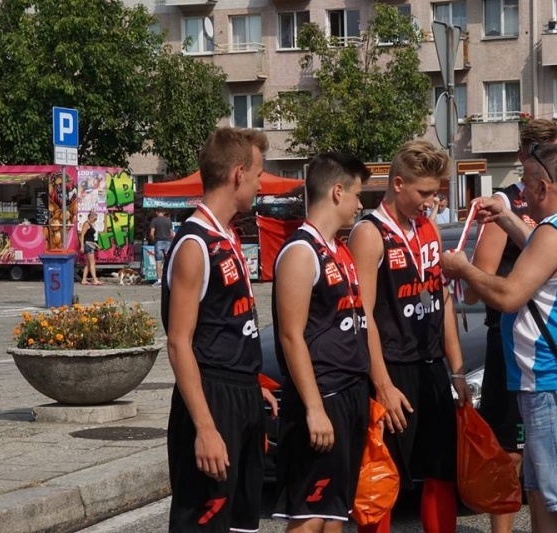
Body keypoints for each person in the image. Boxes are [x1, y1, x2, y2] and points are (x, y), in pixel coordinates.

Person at [442, 143, 557, 533]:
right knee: (544, 492)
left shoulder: (553, 233)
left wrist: (463, 269)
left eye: (526, 187)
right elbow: (542, 252)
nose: (523, 197)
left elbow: (508, 295)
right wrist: (505, 219)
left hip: (553, 379)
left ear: (544, 186)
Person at [347, 139, 471, 533]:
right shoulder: (369, 232)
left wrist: (457, 370)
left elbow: (444, 300)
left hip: (431, 366)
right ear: (398, 183)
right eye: (424, 192)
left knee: (440, 473)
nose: (430, 201)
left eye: (436, 193)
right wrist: (381, 385)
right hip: (392, 369)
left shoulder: (429, 228)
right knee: (383, 479)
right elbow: (362, 313)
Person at [161, 127, 279, 533]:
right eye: (259, 174)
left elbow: (227, 323)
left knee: (242, 522)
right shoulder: (195, 243)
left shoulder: (227, 234)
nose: (261, 185)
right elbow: (179, 343)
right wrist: (206, 427)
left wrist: (250, 384)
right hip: (212, 397)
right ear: (238, 174)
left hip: (240, 391)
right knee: (204, 524)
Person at [464, 118, 557, 533]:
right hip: (510, 340)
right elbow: (483, 275)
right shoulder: (506, 203)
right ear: (525, 159)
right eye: (547, 155)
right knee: (510, 451)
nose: (556, 164)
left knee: (545, 452)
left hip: (552, 342)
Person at [271, 153, 372, 531]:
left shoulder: (339, 249)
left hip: (350, 392)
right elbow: (290, 335)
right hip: (322, 395)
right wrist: (314, 408)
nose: (359, 205)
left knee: (335, 511)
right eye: (357, 195)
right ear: (337, 191)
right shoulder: (301, 252)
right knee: (308, 513)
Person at [150, 208, 175, 287]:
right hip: (168, 242)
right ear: (164, 212)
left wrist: (154, 240)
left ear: (156, 212)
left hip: (158, 241)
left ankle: (159, 281)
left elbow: (151, 233)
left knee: (158, 261)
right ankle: (169, 279)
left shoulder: (154, 220)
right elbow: (171, 234)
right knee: (168, 261)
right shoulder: (169, 221)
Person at [79, 211, 102, 285]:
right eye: (95, 219)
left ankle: (84, 279)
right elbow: (82, 235)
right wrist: (82, 246)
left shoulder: (90, 225)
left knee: (88, 264)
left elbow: (90, 237)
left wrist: (96, 245)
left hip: (90, 244)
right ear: (91, 217)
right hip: (88, 245)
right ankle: (95, 280)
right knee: (92, 263)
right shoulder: (86, 224)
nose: (95, 220)